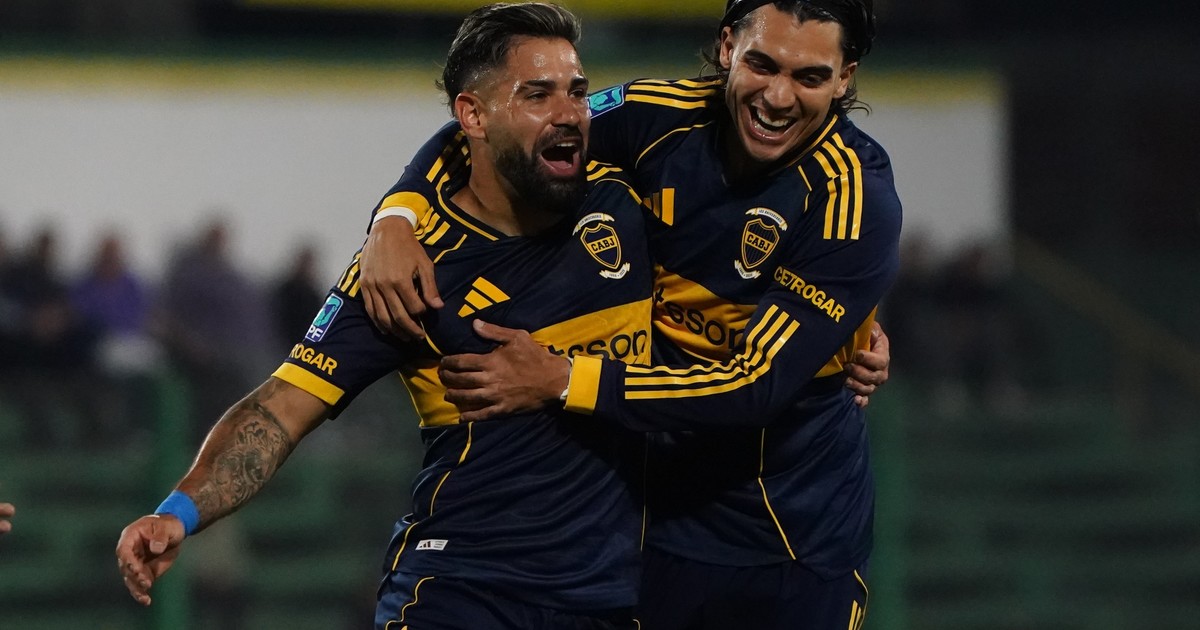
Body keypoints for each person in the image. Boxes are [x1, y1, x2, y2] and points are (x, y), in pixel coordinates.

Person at [358, 1, 900, 628]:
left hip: (790, 541)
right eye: (762, 64)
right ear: (728, 47)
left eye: (809, 77)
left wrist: (564, 379)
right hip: (651, 527)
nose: (778, 98)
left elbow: (756, 385)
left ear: (844, 78)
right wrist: (395, 216)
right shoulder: (655, 116)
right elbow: (500, 127)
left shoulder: (853, 196)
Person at [115, 4, 654, 628]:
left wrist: (395, 209)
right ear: (473, 116)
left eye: (577, 91)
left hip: (617, 596)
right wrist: (177, 513)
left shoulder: (628, 192)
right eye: (537, 94)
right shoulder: (406, 272)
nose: (569, 113)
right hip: (464, 592)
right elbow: (279, 410)